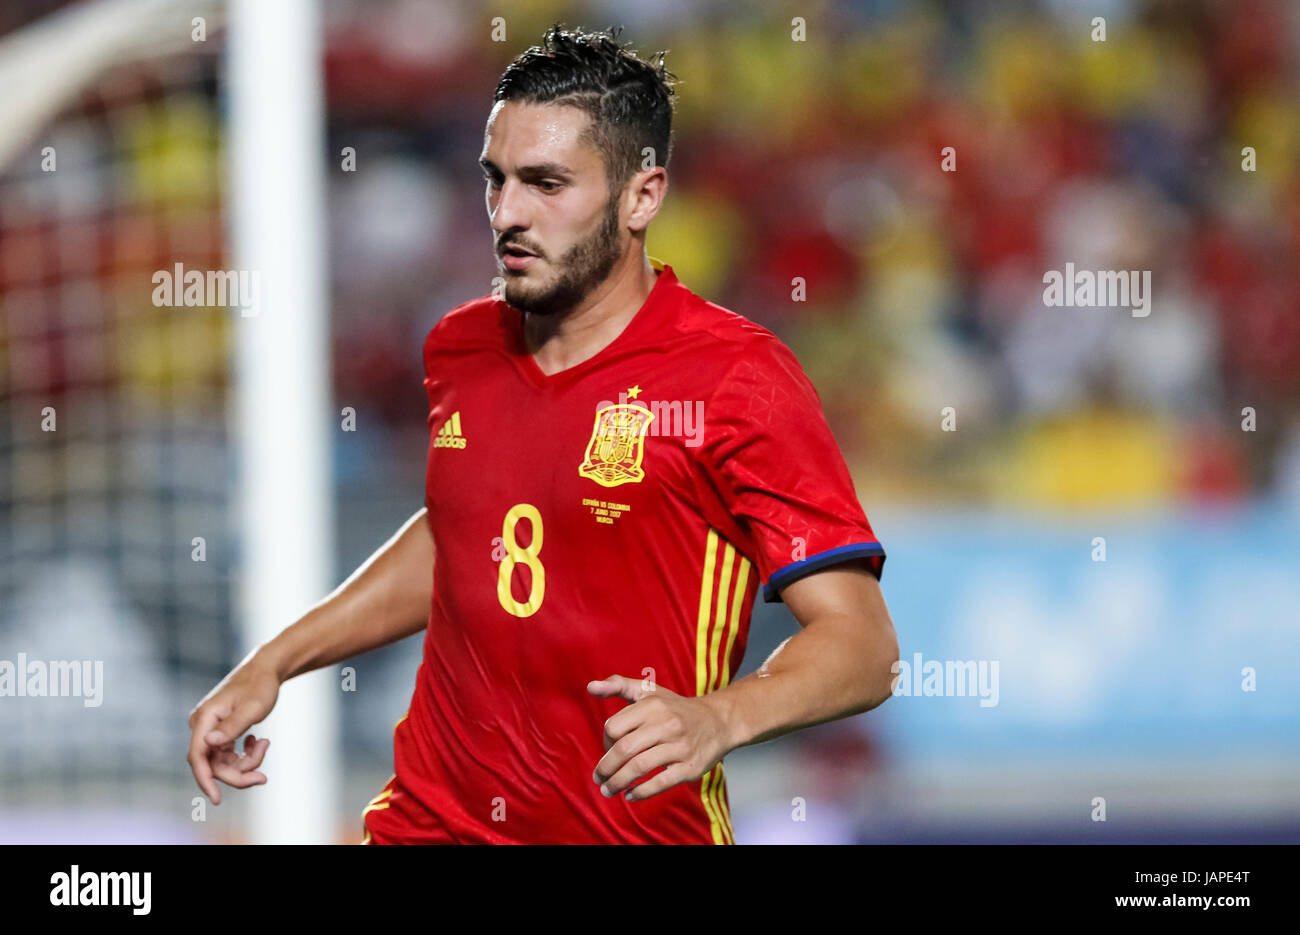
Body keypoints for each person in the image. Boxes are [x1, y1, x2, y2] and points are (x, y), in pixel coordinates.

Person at [187, 23, 899, 845]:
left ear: (643, 195)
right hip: (428, 825)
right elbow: (463, 530)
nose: (508, 214)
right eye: (496, 181)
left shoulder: (736, 378)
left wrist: (719, 718)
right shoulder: (460, 346)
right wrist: (275, 660)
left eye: (546, 183)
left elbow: (864, 644)